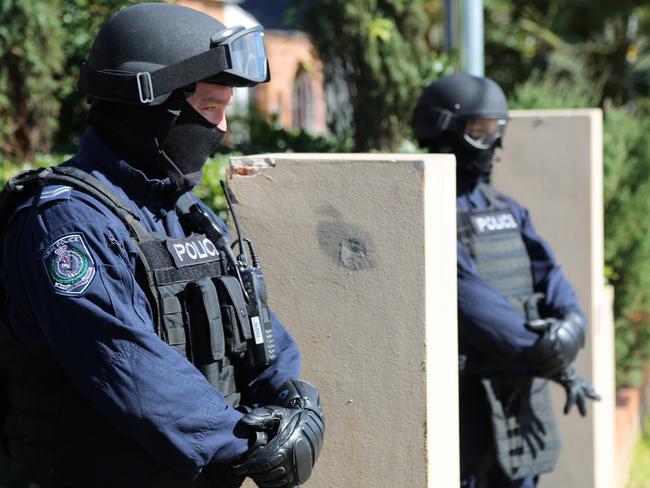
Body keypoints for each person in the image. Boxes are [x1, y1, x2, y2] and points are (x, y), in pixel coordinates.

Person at [0, 3, 324, 488]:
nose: (222, 129)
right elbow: (125, 364)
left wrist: (295, 397)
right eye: (210, 108)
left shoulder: (186, 212)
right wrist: (249, 443)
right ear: (149, 106)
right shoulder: (66, 222)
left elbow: (256, 326)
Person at [411, 73, 599, 488]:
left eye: (498, 130)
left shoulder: (508, 209)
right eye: (480, 131)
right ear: (444, 129)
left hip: (521, 399)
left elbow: (552, 278)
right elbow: (470, 301)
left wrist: (571, 326)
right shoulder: (425, 208)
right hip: (470, 407)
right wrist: (545, 350)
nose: (494, 144)